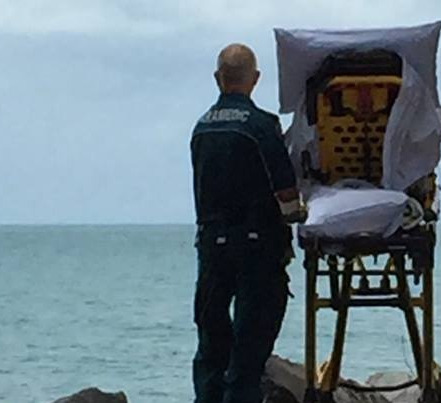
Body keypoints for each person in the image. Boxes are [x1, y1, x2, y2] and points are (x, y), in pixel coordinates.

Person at [190, 43, 300, 403]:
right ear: (255, 80)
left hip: (211, 247)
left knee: (211, 347)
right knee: (249, 352)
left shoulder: (201, 128)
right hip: (256, 249)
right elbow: (286, 193)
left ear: (217, 78)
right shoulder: (261, 126)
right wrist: (300, 215)